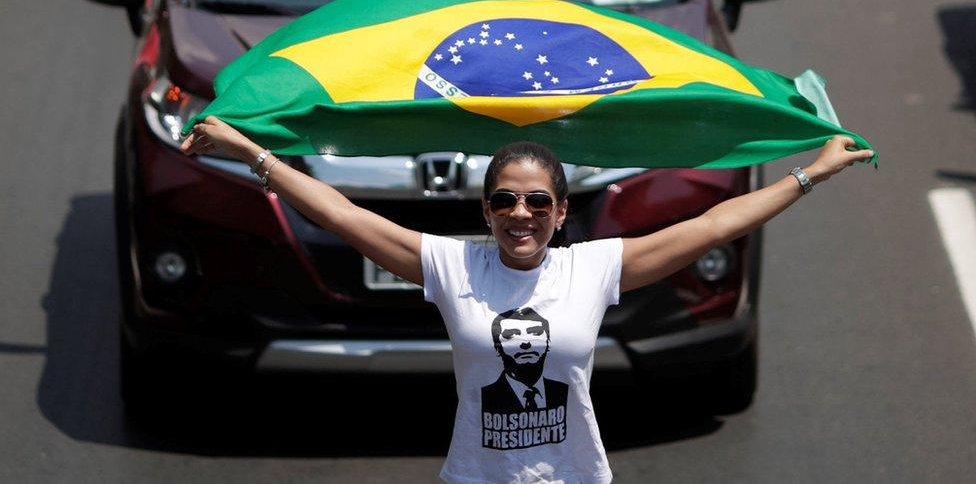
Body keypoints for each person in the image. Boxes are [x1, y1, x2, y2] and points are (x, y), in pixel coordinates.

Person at [180, 116, 873, 483]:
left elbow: (713, 224)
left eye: (537, 200)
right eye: (505, 199)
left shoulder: (593, 269)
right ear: (485, 210)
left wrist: (810, 174)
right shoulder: (451, 263)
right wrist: (249, 150)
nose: (521, 212)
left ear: (561, 211)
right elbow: (341, 215)